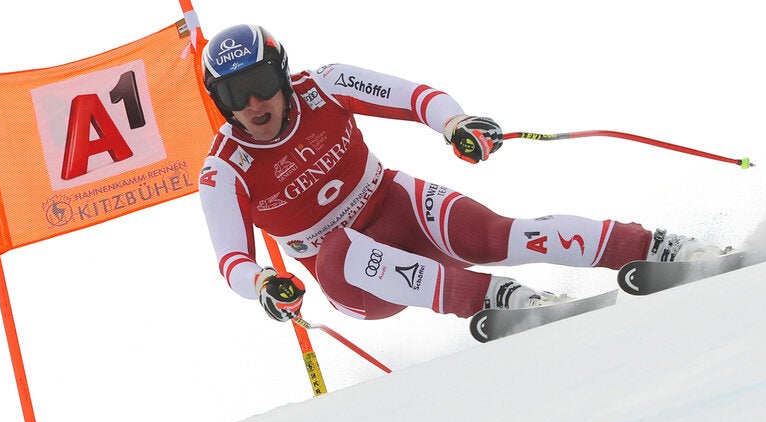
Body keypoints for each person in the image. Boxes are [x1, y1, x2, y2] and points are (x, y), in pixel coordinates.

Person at [197, 24, 722, 322]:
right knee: (336, 245)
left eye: (262, 81)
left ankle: (658, 246)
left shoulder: (325, 86)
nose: (253, 103)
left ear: (283, 74)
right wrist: (265, 281)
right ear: (220, 103)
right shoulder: (224, 170)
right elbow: (231, 261)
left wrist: (456, 124)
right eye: (233, 94)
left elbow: (415, 97)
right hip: (351, 279)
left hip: (394, 203)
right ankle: (500, 299)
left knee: (494, 234)